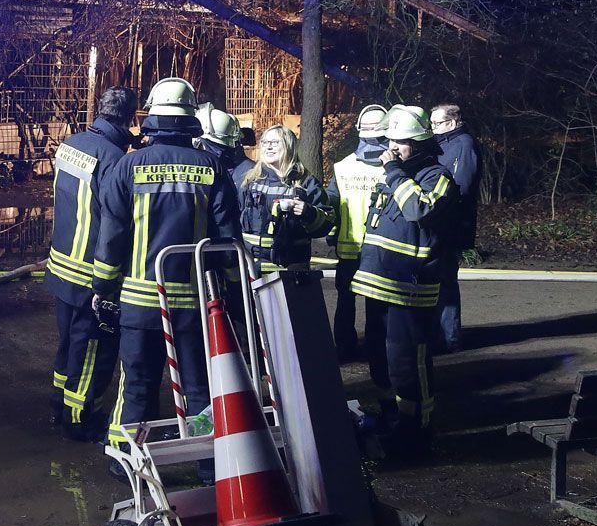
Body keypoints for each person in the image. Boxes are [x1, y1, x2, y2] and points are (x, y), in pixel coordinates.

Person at [94, 77, 241, 446]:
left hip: (140, 305)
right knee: (199, 389)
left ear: (151, 119)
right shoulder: (212, 168)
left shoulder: (128, 168)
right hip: (195, 307)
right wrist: (232, 290)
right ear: (191, 119)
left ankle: (130, 460)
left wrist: (104, 288)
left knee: (138, 385)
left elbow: (111, 237)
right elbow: (227, 241)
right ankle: (211, 465)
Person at [351, 105, 453, 458]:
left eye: (401, 142)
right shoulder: (396, 173)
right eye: (390, 141)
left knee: (409, 361)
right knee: (379, 356)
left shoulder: (435, 177)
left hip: (411, 287)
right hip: (378, 282)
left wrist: (394, 171)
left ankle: (416, 428)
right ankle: (390, 415)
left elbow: (418, 210)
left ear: (421, 143)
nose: (392, 148)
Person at [44, 86, 136, 440]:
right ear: (128, 117)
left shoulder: (70, 144)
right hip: (88, 272)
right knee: (92, 347)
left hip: (61, 263)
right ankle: (79, 419)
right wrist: (108, 280)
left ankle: (58, 402)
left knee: (67, 340)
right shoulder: (114, 158)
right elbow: (114, 222)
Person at [326, 105, 389, 364]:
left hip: (349, 247)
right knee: (376, 303)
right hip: (379, 248)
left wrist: (332, 236)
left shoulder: (342, 167)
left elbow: (332, 206)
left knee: (346, 302)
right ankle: (376, 348)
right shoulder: (391, 168)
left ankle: (345, 348)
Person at [240, 124, 334, 275]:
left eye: (275, 143)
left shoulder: (306, 183)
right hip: (253, 268)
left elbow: (328, 222)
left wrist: (308, 212)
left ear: (289, 146)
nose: (268, 147)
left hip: (293, 269)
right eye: (265, 143)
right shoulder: (250, 181)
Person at [429, 102, 481, 353]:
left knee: (446, 282)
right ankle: (441, 335)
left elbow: (461, 186)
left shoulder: (463, 145)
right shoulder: (447, 144)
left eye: (436, 123)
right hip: (443, 223)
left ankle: (449, 338)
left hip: (450, 225)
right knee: (440, 280)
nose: (432, 127)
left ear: (451, 122)